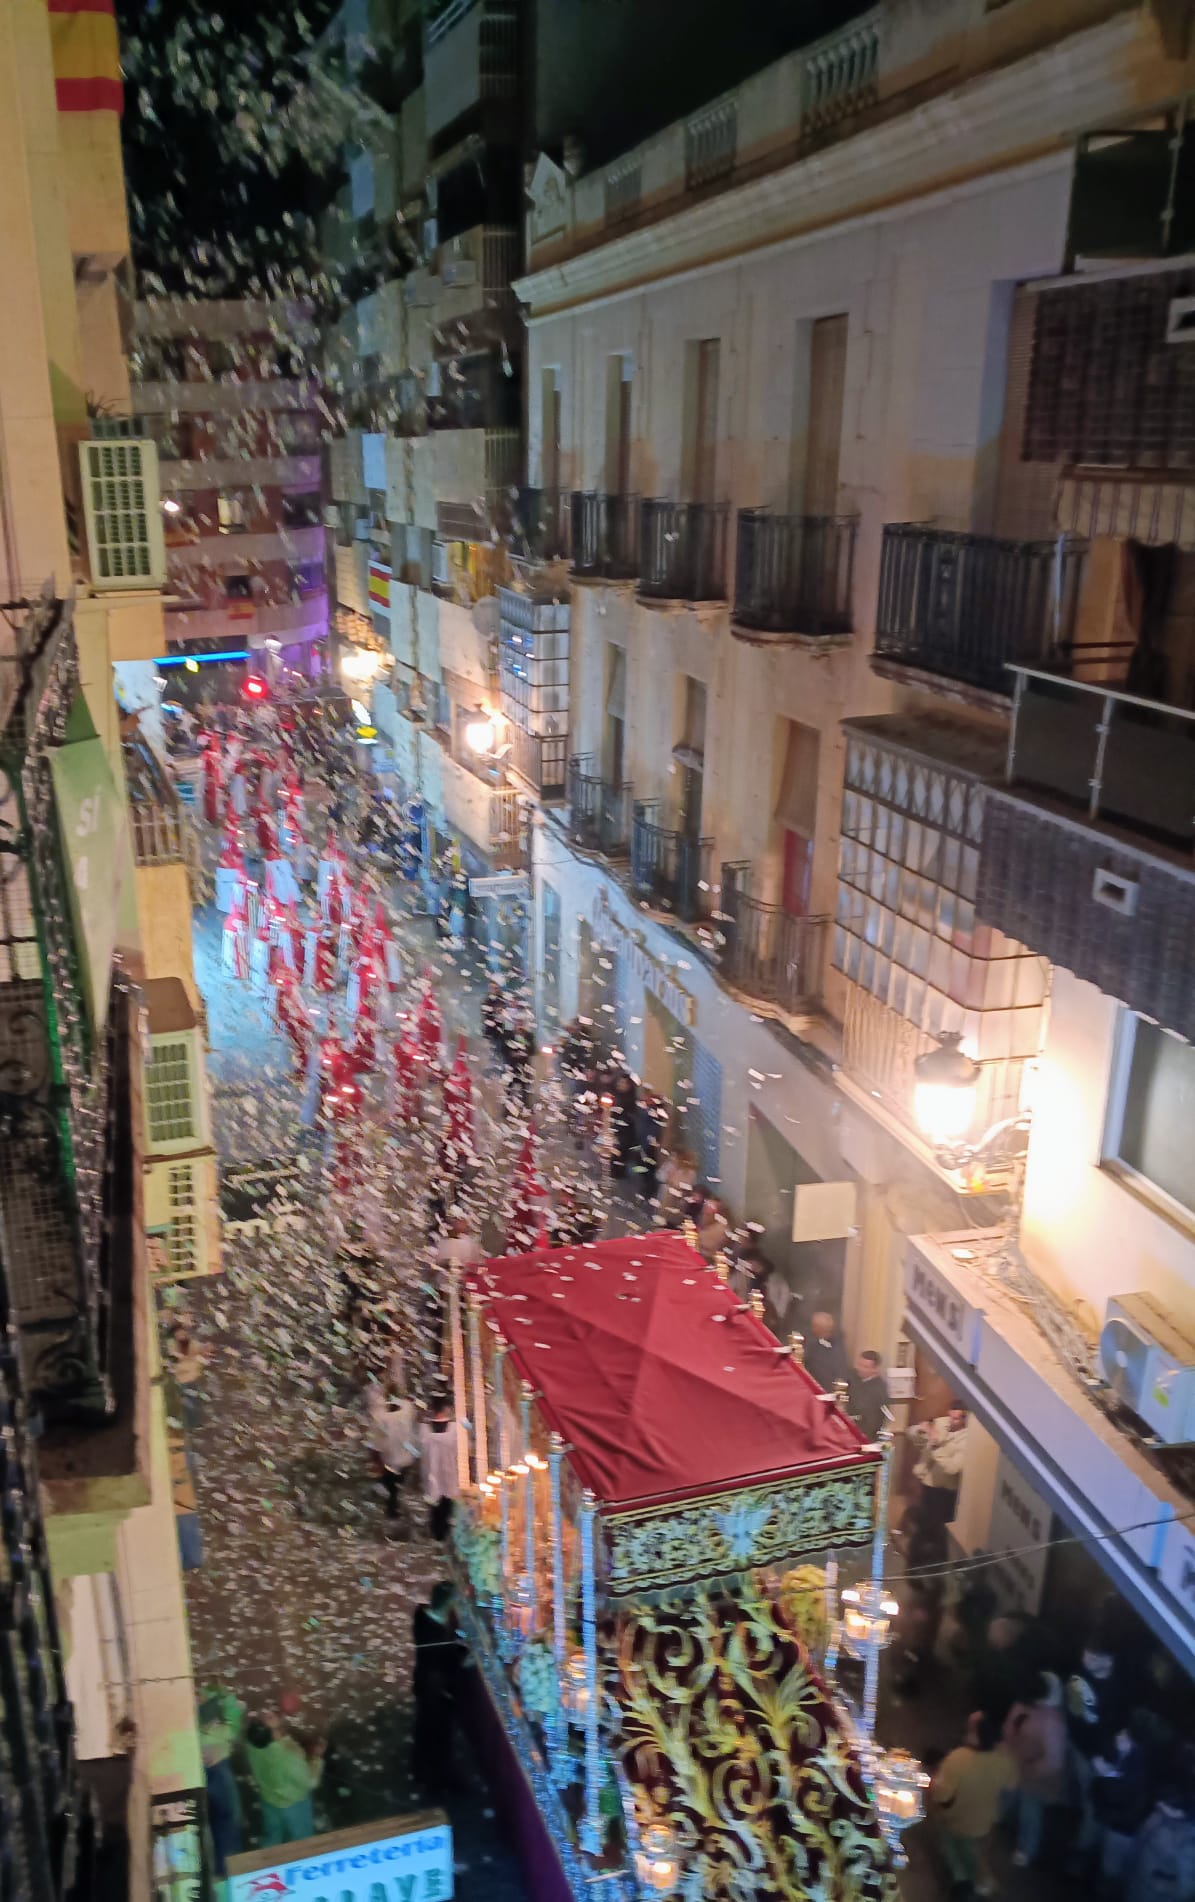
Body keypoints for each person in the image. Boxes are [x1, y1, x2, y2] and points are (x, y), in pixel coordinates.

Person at [930, 1709, 1017, 1897]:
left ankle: (961, 1878)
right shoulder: (1005, 1758)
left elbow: (941, 1797)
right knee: (976, 1852)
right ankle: (980, 1879)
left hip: (957, 1821)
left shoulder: (957, 1759)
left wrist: (933, 1783)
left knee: (951, 1844)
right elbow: (1009, 1792)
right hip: (986, 1823)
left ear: (974, 1733)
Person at [1002, 1671, 1069, 1869]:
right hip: (1016, 1765)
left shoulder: (1053, 1723)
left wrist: (1031, 1770)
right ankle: (1005, 1823)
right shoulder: (1026, 1700)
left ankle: (1026, 1849)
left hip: (1036, 1779)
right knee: (1009, 1797)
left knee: (1030, 1813)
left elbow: (1053, 1761)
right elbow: (1010, 1726)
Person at [412, 1582, 469, 1795]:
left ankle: (422, 1770)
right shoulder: (433, 1635)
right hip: (435, 1692)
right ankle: (437, 1781)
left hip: (428, 1686)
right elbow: (444, 1661)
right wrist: (462, 1654)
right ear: (448, 1604)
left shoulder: (423, 1616)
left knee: (424, 1731)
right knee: (438, 1736)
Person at [245, 1713, 324, 1847]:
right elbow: (310, 1782)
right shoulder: (289, 1758)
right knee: (302, 1842)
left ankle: (268, 1860)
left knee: (273, 1835)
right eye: (267, 1721)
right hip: (293, 1805)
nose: (268, 1716)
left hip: (268, 1799)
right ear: (272, 1734)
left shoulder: (252, 1745)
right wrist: (316, 1759)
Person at [1090, 1716, 1151, 1891]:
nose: (1118, 1737)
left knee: (1112, 1868)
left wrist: (1104, 1773)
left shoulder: (1138, 1766)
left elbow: (1118, 1795)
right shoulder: (1124, 1755)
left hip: (1121, 1827)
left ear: (1135, 1743)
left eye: (1124, 1737)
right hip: (1113, 1819)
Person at [199, 1687, 244, 1876]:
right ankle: (226, 1868)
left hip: (202, 1771)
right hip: (218, 1770)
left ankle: (219, 1866)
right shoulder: (218, 1730)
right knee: (227, 1818)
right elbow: (232, 1728)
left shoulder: (193, 1725)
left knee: (216, 1820)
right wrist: (227, 1699)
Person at [366, 1383, 418, 1530]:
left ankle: (393, 1514)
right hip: (405, 1458)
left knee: (392, 1489)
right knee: (397, 1487)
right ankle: (396, 1511)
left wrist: (375, 1459)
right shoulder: (407, 1410)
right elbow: (411, 1405)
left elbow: (375, 1442)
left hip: (390, 1459)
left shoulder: (380, 1417)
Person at [910, 1404, 968, 1529]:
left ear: (965, 1419)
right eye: (950, 1416)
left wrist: (936, 1446)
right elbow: (911, 1432)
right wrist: (922, 1430)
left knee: (937, 1526)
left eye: (956, 1419)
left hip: (945, 1490)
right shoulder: (942, 1422)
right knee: (924, 1520)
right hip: (927, 1480)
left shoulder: (967, 1439)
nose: (951, 1421)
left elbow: (952, 1468)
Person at [1136, 1784, 1195, 1902]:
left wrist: (1158, 1884)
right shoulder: (1161, 1816)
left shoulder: (1189, 1841)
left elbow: (1186, 1888)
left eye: (1164, 1805)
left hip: (1153, 1895)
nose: (1159, 1806)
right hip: (1137, 1883)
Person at [420, 1392, 464, 1541]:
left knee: (436, 1502)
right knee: (447, 1501)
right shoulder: (455, 1428)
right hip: (449, 1469)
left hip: (432, 1470)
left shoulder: (425, 1428)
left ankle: (436, 1530)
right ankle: (444, 1530)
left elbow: (421, 1449)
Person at [847, 1349, 890, 1441]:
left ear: (875, 1369)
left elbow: (873, 1422)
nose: (859, 1368)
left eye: (865, 1366)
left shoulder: (879, 1391)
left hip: (863, 1436)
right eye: (859, 1364)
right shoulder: (853, 1376)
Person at [803, 1312, 850, 1393]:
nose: (812, 1328)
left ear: (819, 1328)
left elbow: (840, 1373)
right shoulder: (809, 1340)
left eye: (814, 1325)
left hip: (824, 1390)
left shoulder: (837, 1347)